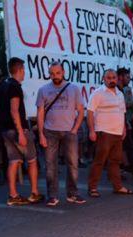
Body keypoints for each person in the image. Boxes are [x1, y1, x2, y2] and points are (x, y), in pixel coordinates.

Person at [36, 62, 86, 206]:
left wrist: (75, 128)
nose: (55, 76)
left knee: (73, 164)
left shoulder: (74, 88)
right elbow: (40, 113)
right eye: (52, 73)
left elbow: (81, 110)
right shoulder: (43, 90)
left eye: (57, 73)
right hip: (50, 131)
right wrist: (40, 134)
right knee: (51, 165)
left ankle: (73, 193)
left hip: (70, 131)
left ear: (63, 72)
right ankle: (52, 196)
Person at [0, 57, 44, 206]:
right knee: (32, 160)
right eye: (24, 70)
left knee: (14, 161)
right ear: (20, 70)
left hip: (5, 130)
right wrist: (21, 132)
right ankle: (34, 192)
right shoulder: (15, 87)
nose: (25, 73)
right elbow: (14, 110)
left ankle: (13, 195)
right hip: (16, 130)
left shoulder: (3, 86)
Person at [87, 69, 133, 197]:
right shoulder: (97, 93)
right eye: (108, 77)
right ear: (104, 79)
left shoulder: (120, 94)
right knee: (99, 161)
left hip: (118, 133)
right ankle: (92, 188)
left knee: (115, 161)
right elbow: (90, 112)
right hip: (103, 132)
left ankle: (117, 186)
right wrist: (92, 130)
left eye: (113, 77)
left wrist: (124, 128)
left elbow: (122, 112)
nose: (111, 79)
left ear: (117, 79)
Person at [117, 67, 133, 179]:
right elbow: (122, 106)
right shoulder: (116, 91)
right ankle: (123, 170)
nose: (129, 79)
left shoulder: (125, 90)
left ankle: (132, 169)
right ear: (120, 77)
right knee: (122, 147)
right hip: (118, 123)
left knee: (128, 147)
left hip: (126, 122)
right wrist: (132, 103)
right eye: (127, 77)